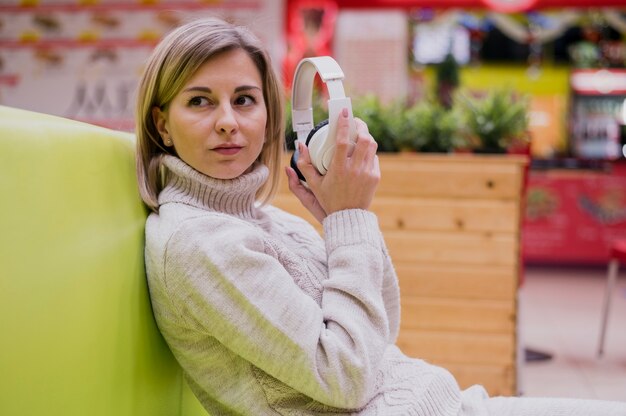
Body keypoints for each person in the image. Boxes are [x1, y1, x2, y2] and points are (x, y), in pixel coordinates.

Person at [135, 17, 626, 416]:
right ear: (162, 123)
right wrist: (348, 218)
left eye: (244, 99)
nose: (228, 121)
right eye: (200, 101)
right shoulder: (200, 243)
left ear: (269, 115)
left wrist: (345, 220)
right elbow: (345, 376)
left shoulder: (265, 220)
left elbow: (382, 321)